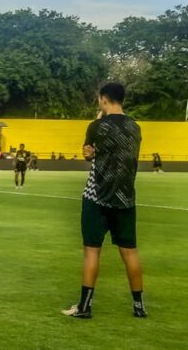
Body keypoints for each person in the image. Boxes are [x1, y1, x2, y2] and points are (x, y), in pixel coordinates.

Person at [62, 82, 146, 319]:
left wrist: (91, 148)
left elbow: (88, 153)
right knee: (130, 252)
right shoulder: (135, 127)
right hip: (125, 198)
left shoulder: (96, 126)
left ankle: (84, 307)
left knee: (92, 251)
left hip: (97, 195)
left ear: (103, 98)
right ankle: (139, 306)